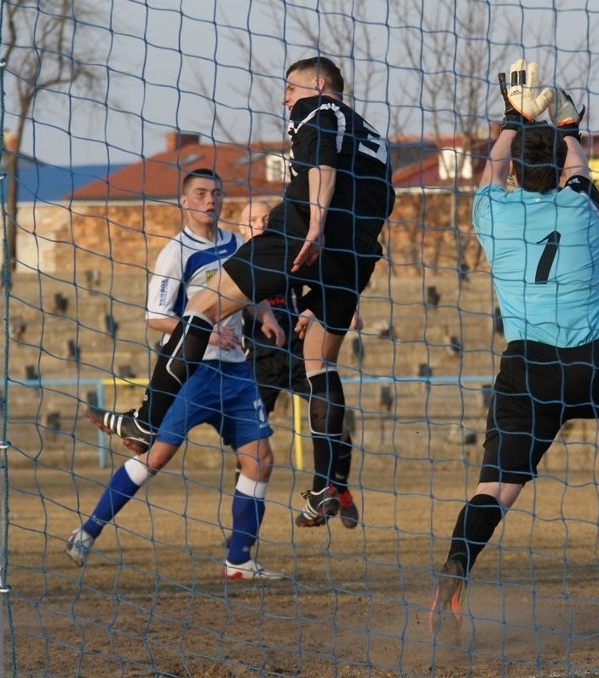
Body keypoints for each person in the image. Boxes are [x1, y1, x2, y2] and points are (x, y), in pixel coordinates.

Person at [429, 60, 599, 634]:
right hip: (594, 370)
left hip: (526, 376)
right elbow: (577, 164)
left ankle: (455, 571)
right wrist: (567, 125)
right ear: (559, 169)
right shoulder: (582, 207)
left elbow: (490, 172)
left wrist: (512, 118)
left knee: (494, 490)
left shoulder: (489, 211)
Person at [86, 56, 395, 528]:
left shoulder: (316, 109)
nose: (284, 98)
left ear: (315, 85)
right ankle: (323, 487)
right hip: (357, 251)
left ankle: (146, 418)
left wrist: (313, 227)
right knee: (320, 361)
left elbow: (322, 165)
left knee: (202, 305)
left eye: (288, 88)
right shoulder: (375, 138)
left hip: (308, 232)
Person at [71, 168, 286, 580]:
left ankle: (238, 561)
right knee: (155, 456)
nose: (211, 200)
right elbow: (156, 318)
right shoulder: (176, 252)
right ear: (184, 202)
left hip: (237, 373)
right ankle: (87, 531)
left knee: (260, 460)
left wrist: (266, 315)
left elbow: (249, 292)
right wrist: (208, 332)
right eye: (202, 193)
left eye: (217, 193)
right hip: (193, 373)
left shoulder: (238, 244)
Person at [236, 199, 359, 528]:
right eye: (253, 219)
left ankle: (339, 489)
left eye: (265, 217)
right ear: (240, 227)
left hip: (298, 354)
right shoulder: (238, 261)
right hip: (258, 362)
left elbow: (325, 286)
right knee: (248, 446)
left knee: (336, 425)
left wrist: (313, 309)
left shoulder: (287, 252)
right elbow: (240, 300)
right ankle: (241, 532)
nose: (260, 224)